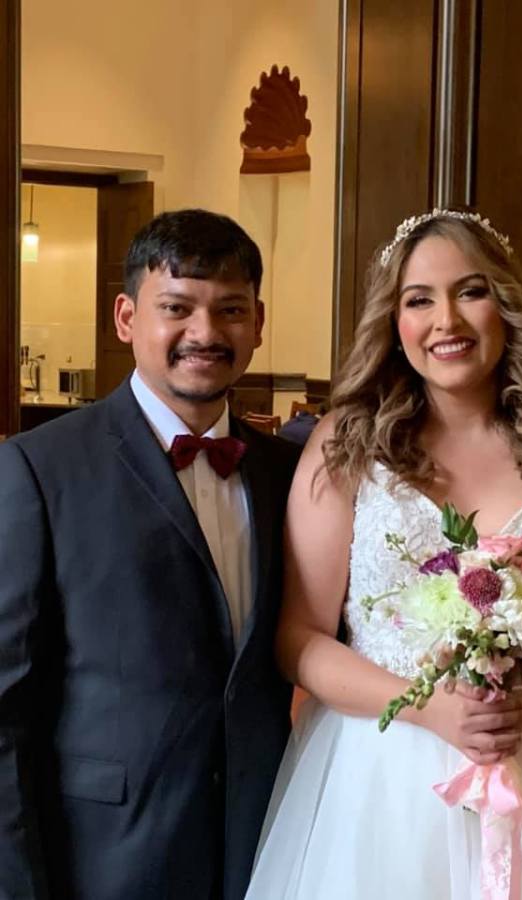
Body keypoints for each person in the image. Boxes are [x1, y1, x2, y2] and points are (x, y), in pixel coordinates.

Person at [246, 209, 522, 899]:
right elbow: (299, 639)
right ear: (394, 322)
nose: (446, 320)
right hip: (380, 782)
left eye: (469, 291)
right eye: (418, 300)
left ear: (506, 308)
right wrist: (426, 709)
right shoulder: (345, 448)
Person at [0, 209, 299, 900]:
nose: (205, 333)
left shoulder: (296, 475)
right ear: (127, 316)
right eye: (177, 308)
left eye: (229, 310)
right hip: (104, 853)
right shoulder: (38, 470)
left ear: (258, 322)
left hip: (270, 839)